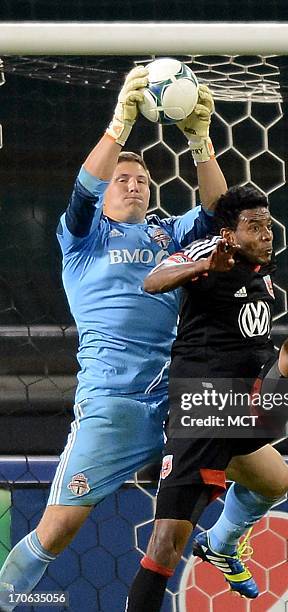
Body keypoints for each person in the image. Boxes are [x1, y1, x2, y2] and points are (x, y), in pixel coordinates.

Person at [0, 66, 227, 611]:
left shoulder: (168, 233)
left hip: (177, 396)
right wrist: (121, 125)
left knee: (269, 468)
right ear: (105, 195)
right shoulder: (82, 239)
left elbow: (223, 216)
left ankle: (225, 540)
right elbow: (82, 193)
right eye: (122, 179)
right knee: (56, 532)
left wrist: (201, 141)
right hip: (114, 405)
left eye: (142, 179)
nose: (134, 183)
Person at [126, 185, 288, 611]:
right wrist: (203, 264)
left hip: (248, 402)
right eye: (253, 227)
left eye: (268, 226)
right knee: (165, 545)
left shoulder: (261, 272)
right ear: (228, 234)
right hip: (203, 410)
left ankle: (221, 542)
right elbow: (153, 280)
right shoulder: (210, 251)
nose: (266, 234)